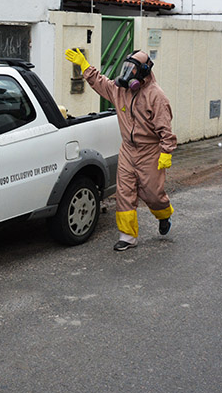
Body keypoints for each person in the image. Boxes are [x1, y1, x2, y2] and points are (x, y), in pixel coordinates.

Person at [65, 48, 176, 251]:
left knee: (152, 193)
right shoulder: (120, 91)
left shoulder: (156, 96)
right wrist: (84, 66)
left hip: (150, 151)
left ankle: (164, 214)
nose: (127, 73)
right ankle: (128, 236)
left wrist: (166, 152)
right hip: (127, 149)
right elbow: (100, 83)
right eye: (126, 67)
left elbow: (165, 128)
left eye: (132, 69)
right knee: (124, 192)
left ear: (143, 72)